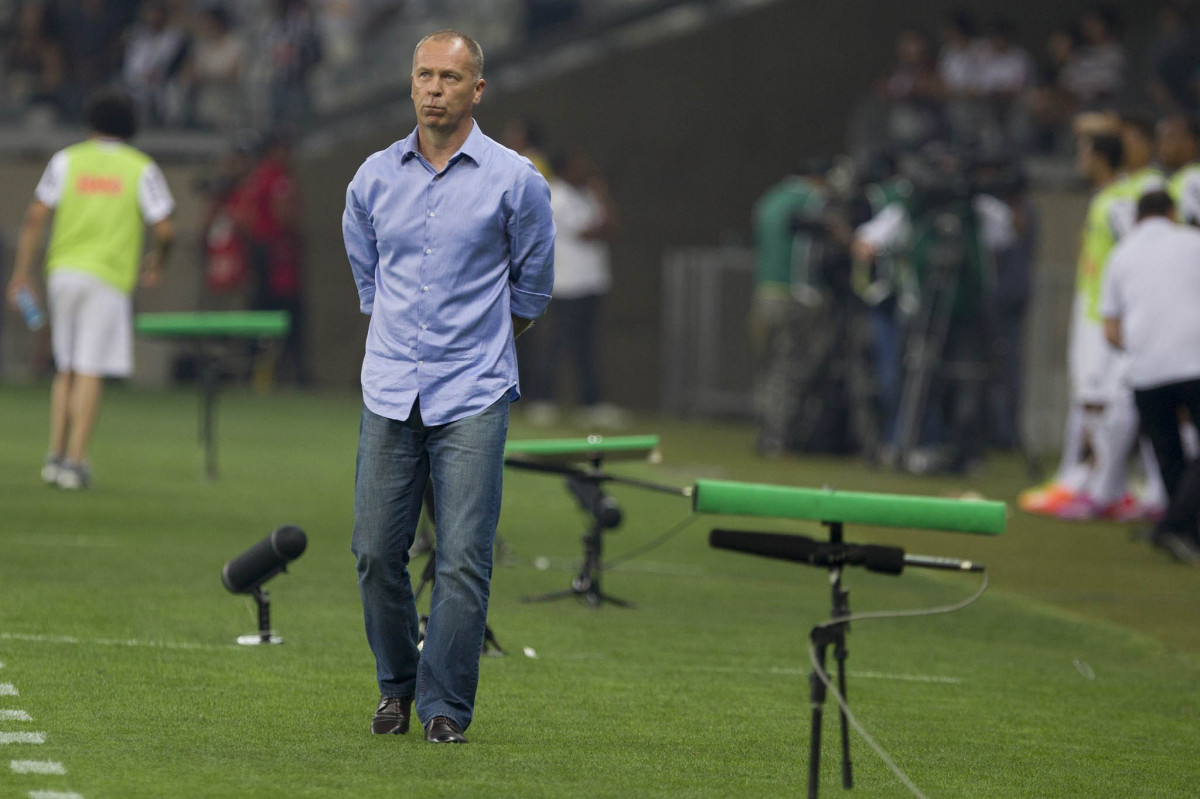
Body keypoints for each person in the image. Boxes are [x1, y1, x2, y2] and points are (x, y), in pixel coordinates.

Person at [342, 30, 554, 745]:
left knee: (464, 555)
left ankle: (444, 707)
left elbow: (533, 287)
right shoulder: (371, 178)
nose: (435, 88)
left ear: (477, 90)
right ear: (411, 84)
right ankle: (397, 685)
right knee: (375, 550)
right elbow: (370, 279)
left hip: (474, 391)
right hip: (390, 387)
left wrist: (479, 347)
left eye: (450, 77)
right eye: (425, 75)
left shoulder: (516, 179)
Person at [5, 86, 175, 489]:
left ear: (90, 122)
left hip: (63, 272)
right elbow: (165, 228)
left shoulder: (67, 160)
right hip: (107, 277)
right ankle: (76, 462)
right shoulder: (140, 167)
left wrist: (21, 272)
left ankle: (54, 456)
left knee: (65, 366)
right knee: (91, 368)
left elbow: (34, 217)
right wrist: (157, 261)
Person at [1101, 190, 1200, 562]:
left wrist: (1149, 346)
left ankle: (1181, 531)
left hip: (1145, 371)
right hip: (1194, 363)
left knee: (1169, 456)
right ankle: (1176, 526)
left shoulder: (1120, 253)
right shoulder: (1193, 242)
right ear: (1172, 212)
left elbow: (1111, 331)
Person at [523, 148, 624, 429]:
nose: (586, 170)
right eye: (579, 165)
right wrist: (601, 200)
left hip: (592, 281)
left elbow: (613, 226)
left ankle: (590, 403)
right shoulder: (557, 195)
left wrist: (601, 196)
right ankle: (542, 400)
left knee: (586, 347)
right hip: (567, 284)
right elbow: (589, 232)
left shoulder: (588, 195)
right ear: (565, 169)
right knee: (555, 344)